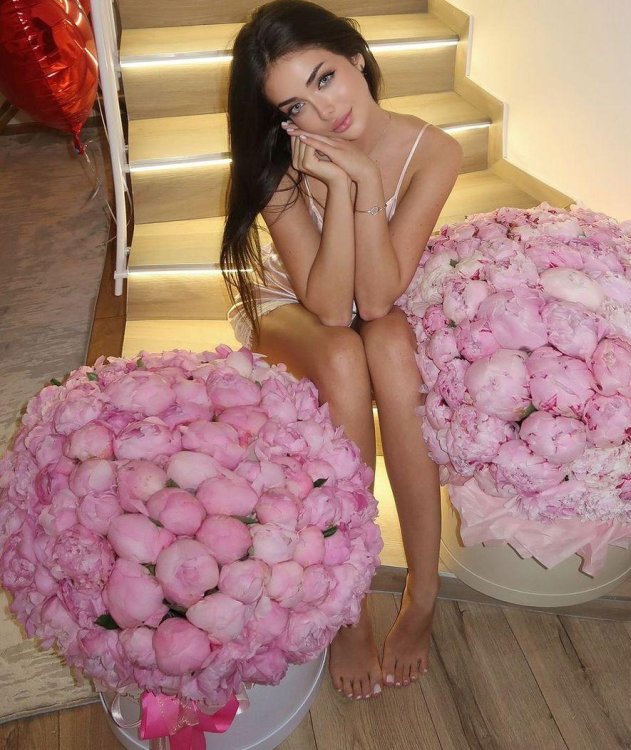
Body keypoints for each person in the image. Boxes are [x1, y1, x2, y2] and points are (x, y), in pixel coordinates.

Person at [221, 0, 462, 701]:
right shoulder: (283, 163)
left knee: (387, 346)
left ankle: (423, 590)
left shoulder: (433, 150)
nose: (323, 113)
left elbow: (378, 300)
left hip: (377, 294)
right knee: (344, 355)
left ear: (356, 57)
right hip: (293, 306)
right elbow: (329, 308)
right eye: (295, 106)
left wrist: (367, 186)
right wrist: (333, 180)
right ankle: (348, 604)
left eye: (324, 78)